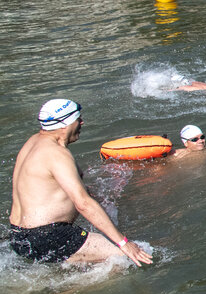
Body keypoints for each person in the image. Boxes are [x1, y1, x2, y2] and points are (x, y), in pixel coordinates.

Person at [8, 99, 152, 266]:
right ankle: (67, 292)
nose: (82, 122)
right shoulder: (56, 154)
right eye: (78, 119)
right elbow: (82, 203)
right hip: (48, 236)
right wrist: (124, 243)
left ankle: (61, 289)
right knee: (126, 259)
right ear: (65, 124)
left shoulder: (33, 142)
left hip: (19, 236)